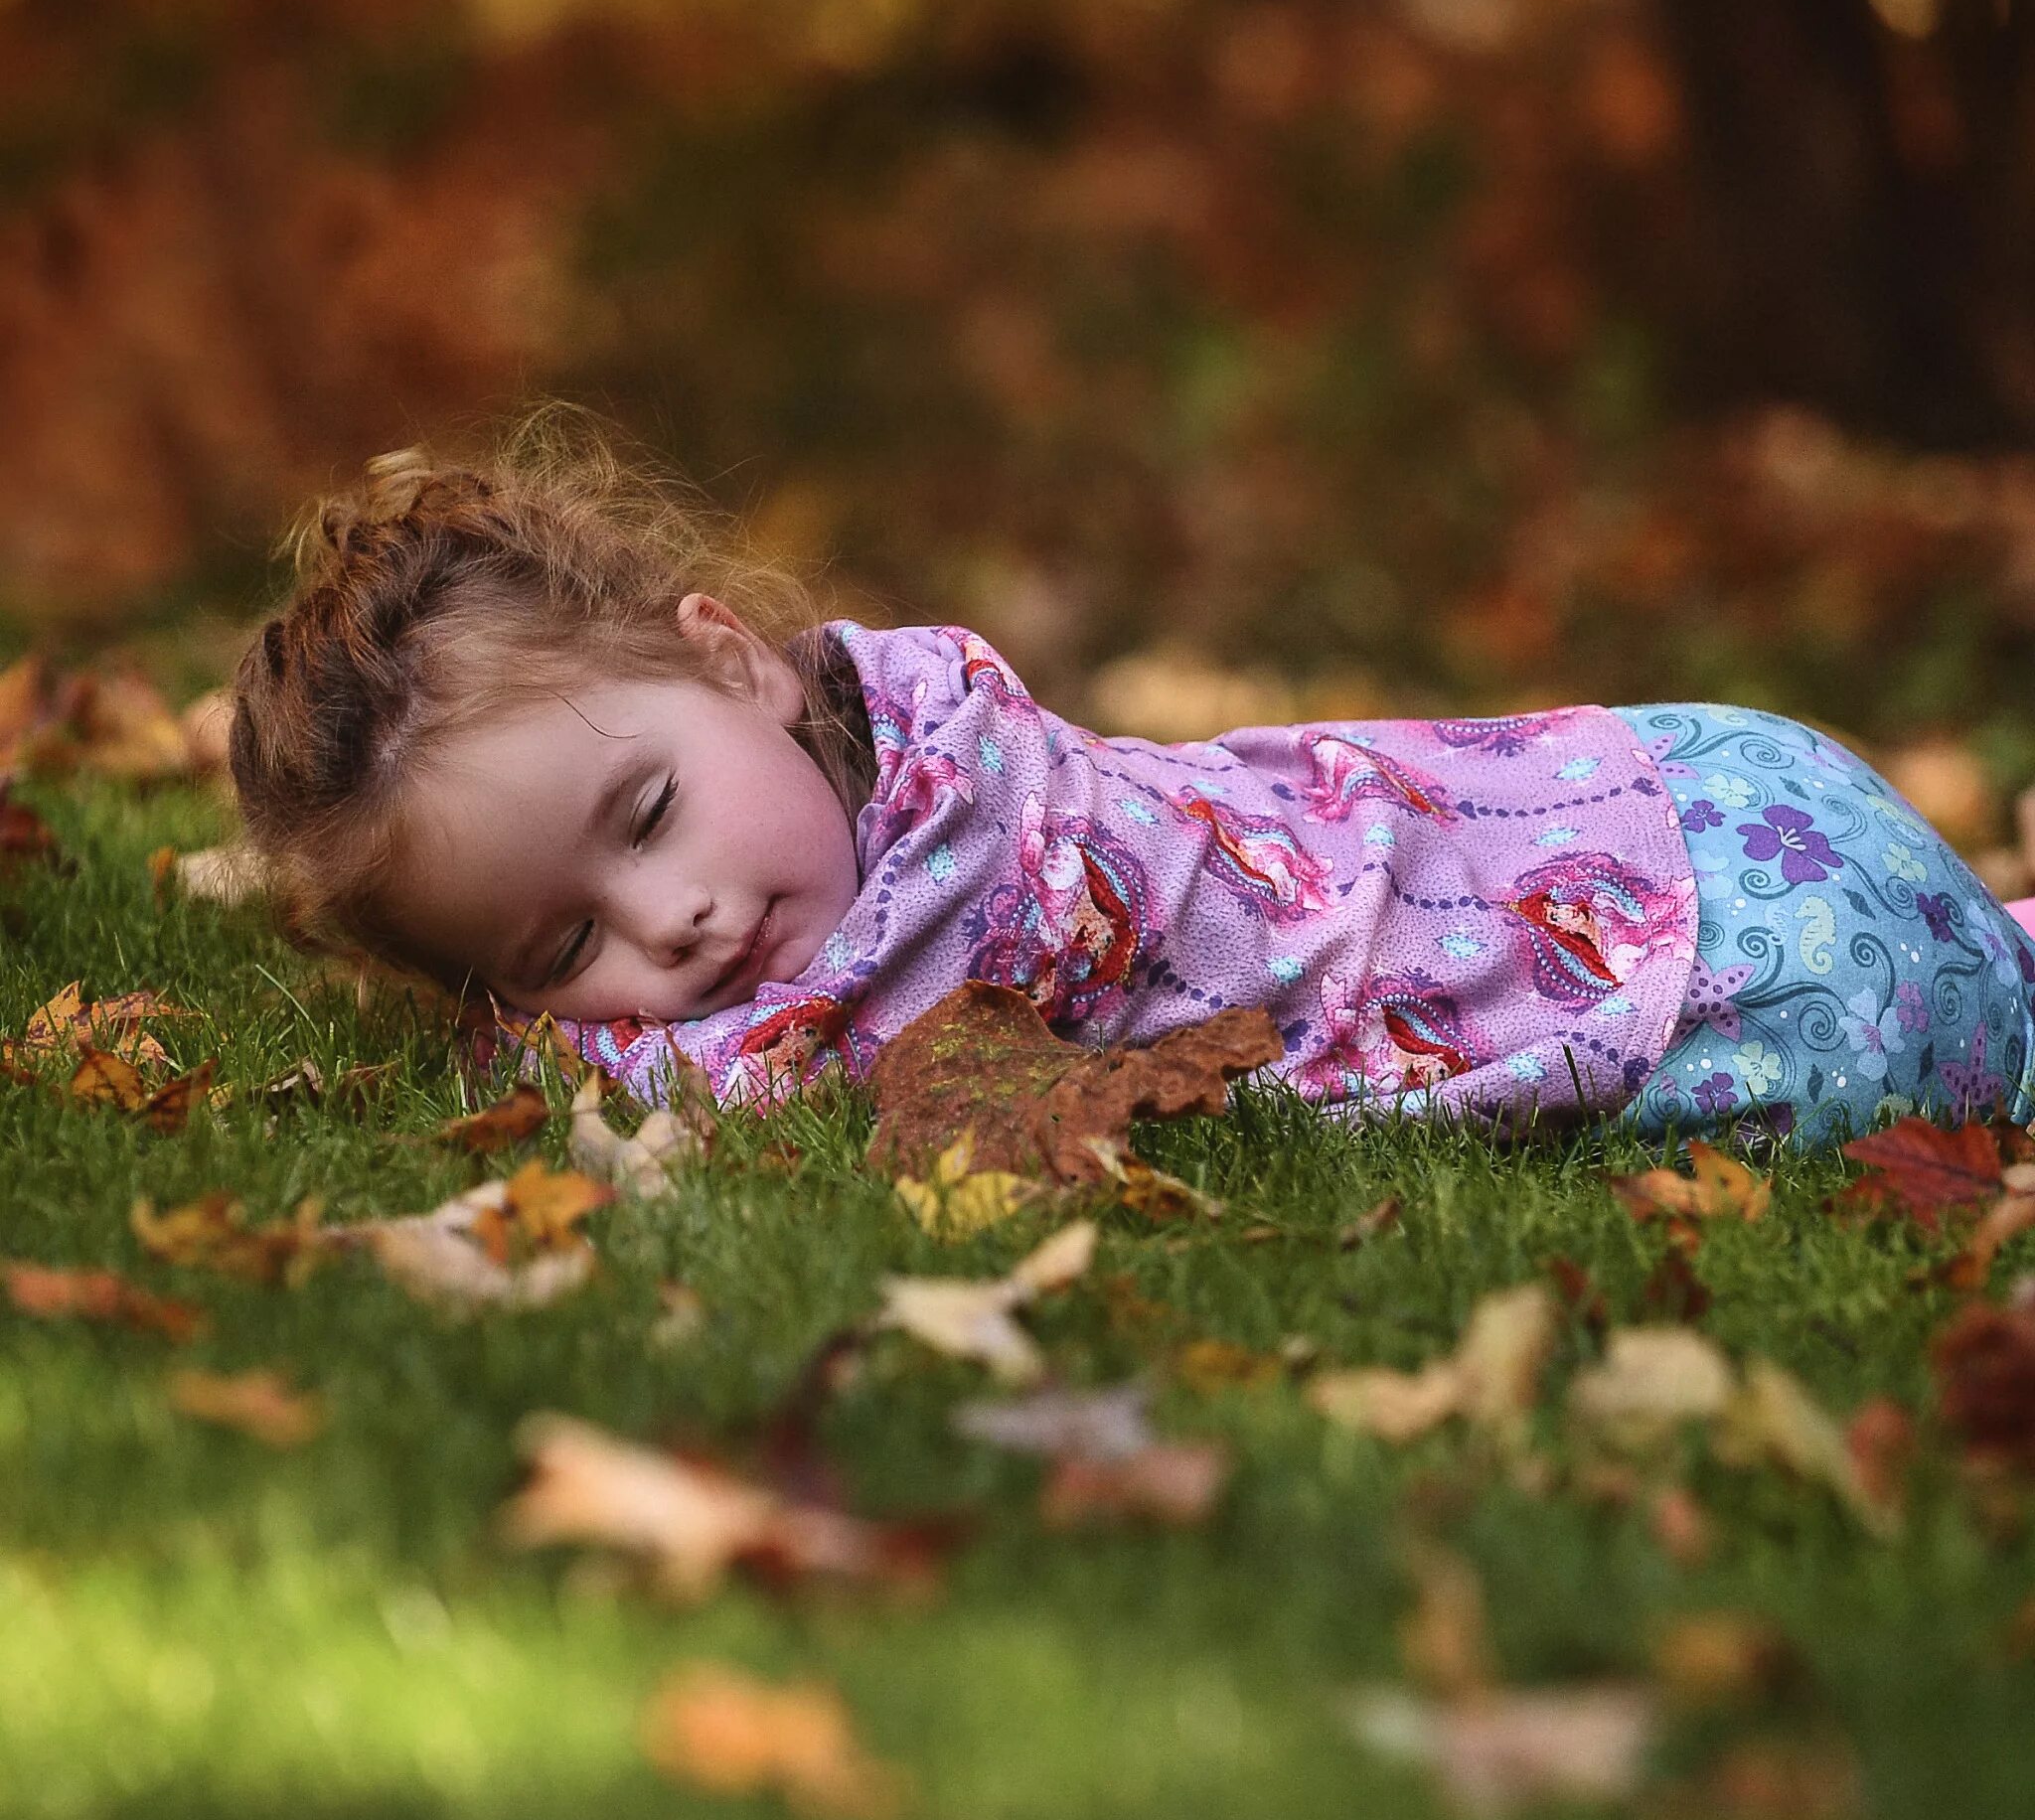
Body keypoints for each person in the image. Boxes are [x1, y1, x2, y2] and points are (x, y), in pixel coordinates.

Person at [230, 413, 2035, 1146]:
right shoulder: (892, 745)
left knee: (1946, 1017)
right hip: (1686, 776)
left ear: (737, 661)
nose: (678, 923)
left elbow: (781, 1087)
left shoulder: (999, 861)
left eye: (647, 817)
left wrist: (540, 1033)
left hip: (1767, 958)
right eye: (564, 949)